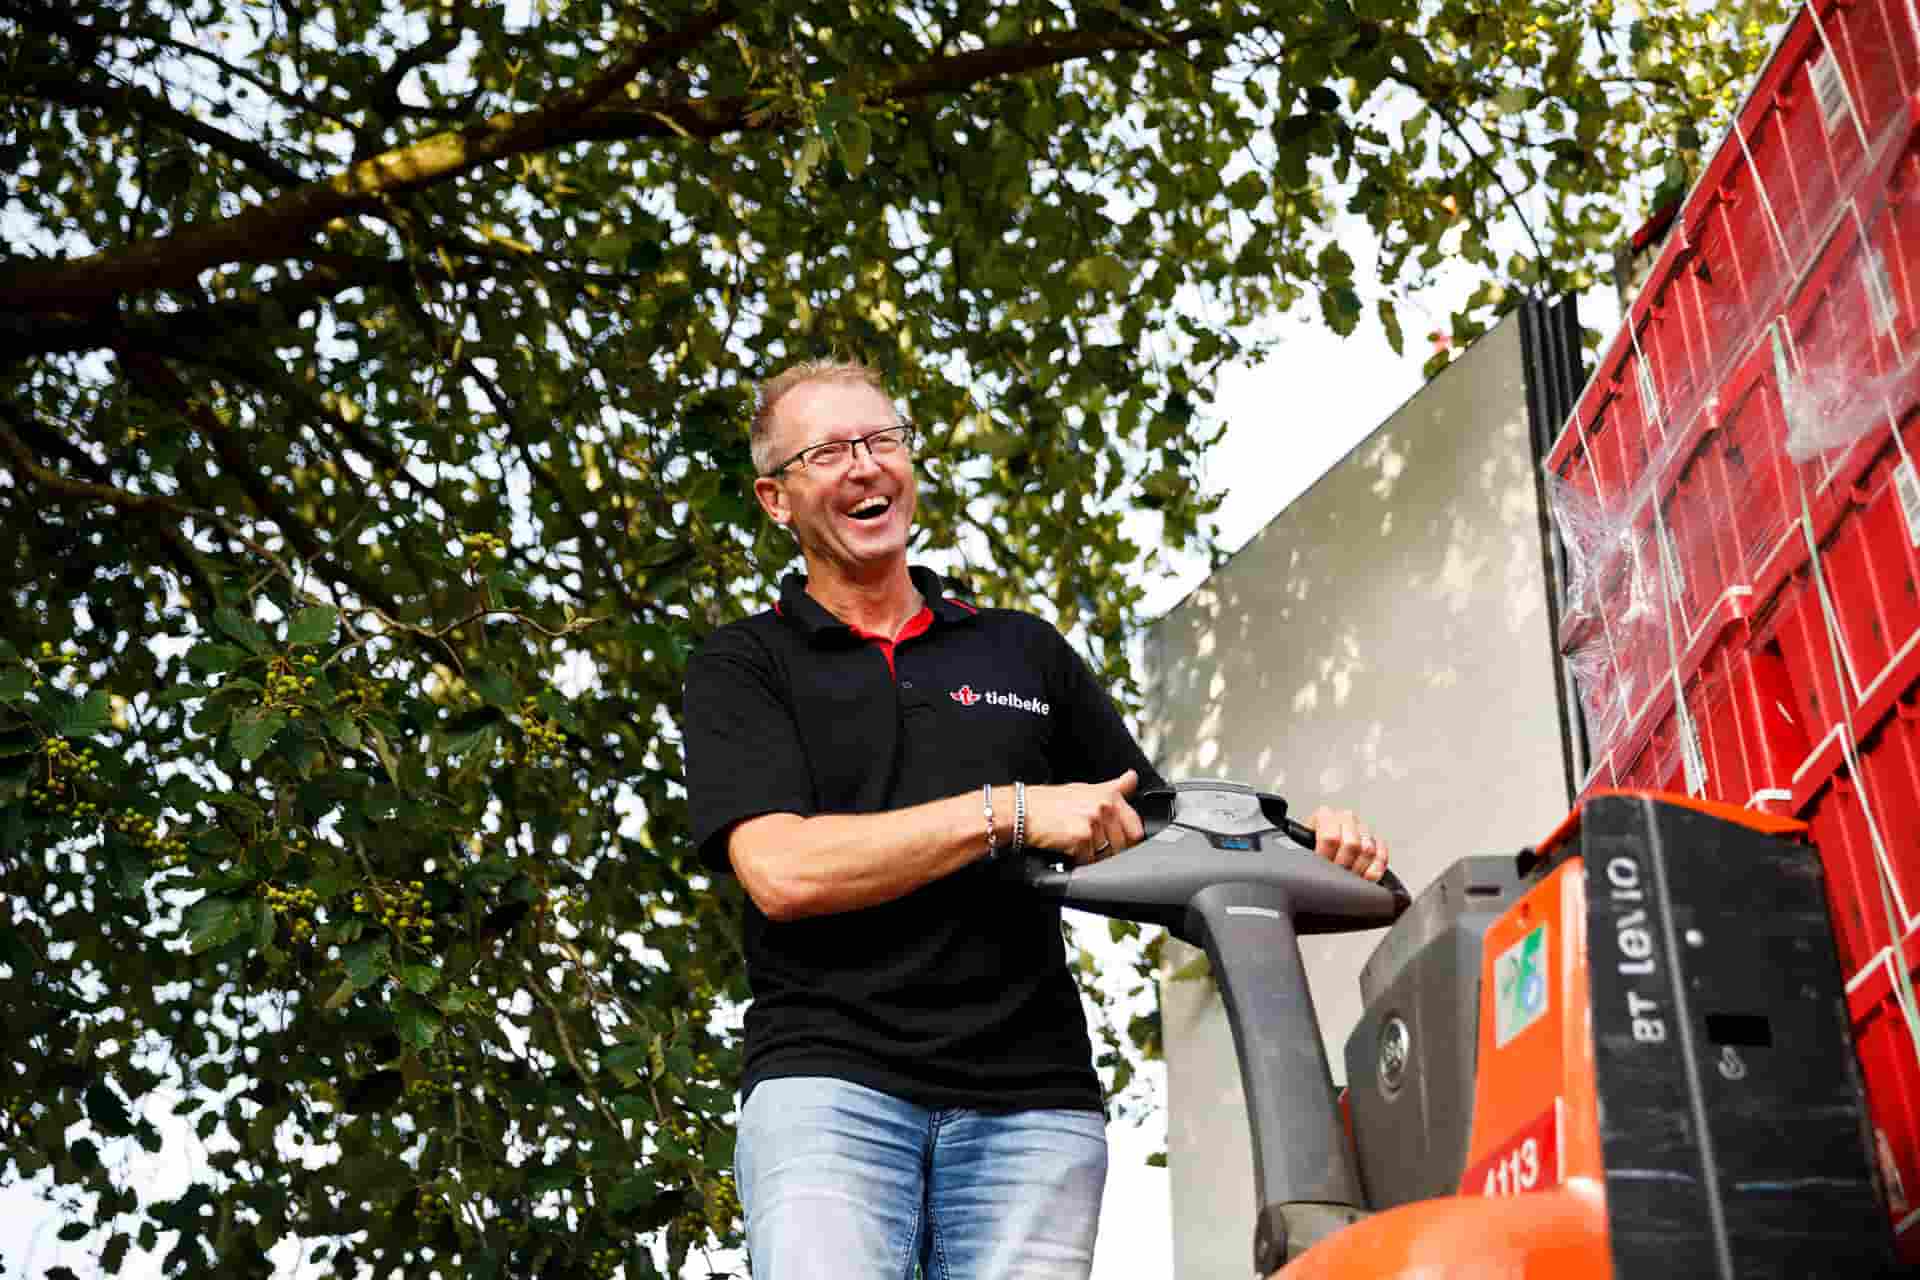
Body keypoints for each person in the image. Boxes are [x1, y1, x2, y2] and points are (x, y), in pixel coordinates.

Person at [680, 358, 1389, 1280]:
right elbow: (783, 873)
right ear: (777, 500)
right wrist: (1007, 814)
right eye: (828, 452)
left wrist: (1314, 849)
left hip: (1033, 1108)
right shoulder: (745, 665)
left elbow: (1170, 847)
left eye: (882, 439)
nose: (865, 466)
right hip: (830, 1091)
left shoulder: (1021, 651)